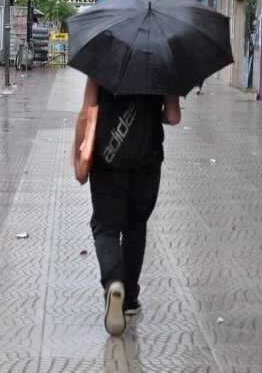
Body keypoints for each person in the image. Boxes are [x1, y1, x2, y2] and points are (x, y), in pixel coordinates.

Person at [74, 78, 181, 337]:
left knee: (105, 226)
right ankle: (129, 298)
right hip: (148, 158)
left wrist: (78, 157)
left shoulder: (103, 62)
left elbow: (88, 110)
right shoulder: (163, 64)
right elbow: (174, 117)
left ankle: (113, 282)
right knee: (136, 227)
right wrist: (155, 115)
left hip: (108, 157)